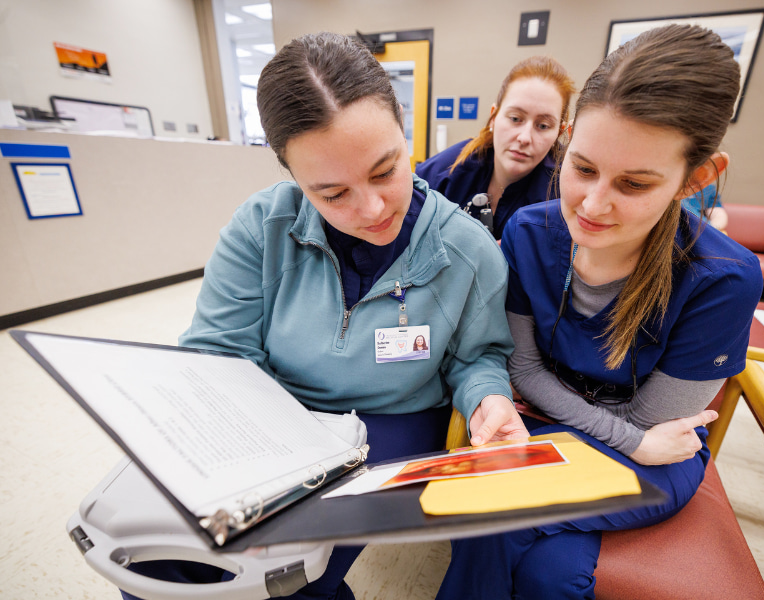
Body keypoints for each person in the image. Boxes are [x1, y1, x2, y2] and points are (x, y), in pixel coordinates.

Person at [119, 32, 527, 600]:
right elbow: (219, 353)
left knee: (287, 568)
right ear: (291, 174)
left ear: (402, 127)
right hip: (273, 416)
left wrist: (488, 400)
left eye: (385, 171)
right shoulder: (261, 228)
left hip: (390, 421)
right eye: (332, 194)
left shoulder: (469, 251)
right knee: (159, 559)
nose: (372, 209)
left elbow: (478, 356)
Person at [436, 24, 763, 600]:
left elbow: (653, 424)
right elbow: (525, 371)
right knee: (551, 576)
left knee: (488, 508)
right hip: (597, 438)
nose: (590, 205)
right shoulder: (529, 232)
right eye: (581, 168)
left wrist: (633, 444)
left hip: (656, 460)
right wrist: (632, 441)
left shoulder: (723, 278)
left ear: (698, 178)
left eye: (634, 183)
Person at [415, 56, 575, 239]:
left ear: (559, 132)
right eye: (515, 119)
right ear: (494, 117)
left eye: (543, 126)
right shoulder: (440, 176)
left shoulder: (565, 194)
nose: (524, 138)